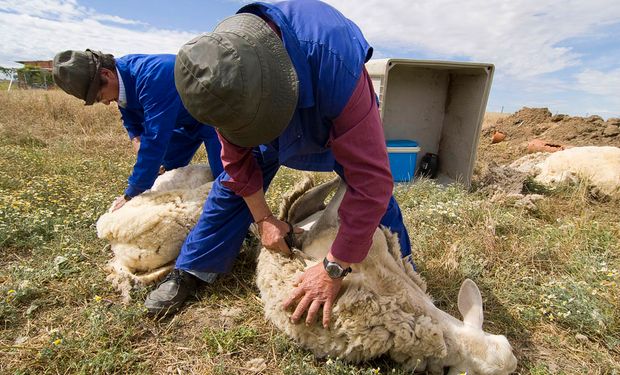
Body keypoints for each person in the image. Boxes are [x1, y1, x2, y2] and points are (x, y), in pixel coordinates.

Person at [149, 0, 414, 326]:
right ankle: (193, 267)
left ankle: (401, 267)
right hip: (262, 115)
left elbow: (371, 180)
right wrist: (263, 220)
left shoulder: (334, 60)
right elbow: (236, 164)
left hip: (325, 110)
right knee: (232, 188)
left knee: (370, 193)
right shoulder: (218, 73)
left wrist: (333, 266)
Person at [52, 50, 224, 211]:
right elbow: (132, 120)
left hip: (215, 116)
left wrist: (133, 191)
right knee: (166, 170)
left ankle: (241, 226)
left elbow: (156, 139)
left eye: (100, 96)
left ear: (106, 74)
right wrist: (137, 141)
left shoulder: (154, 76)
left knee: (227, 179)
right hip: (183, 120)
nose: (105, 103)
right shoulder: (122, 80)